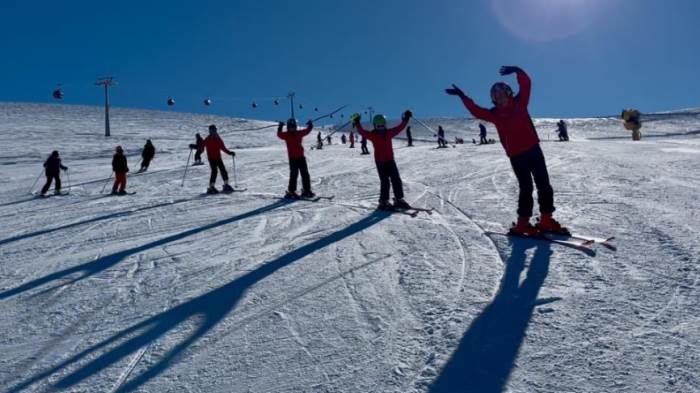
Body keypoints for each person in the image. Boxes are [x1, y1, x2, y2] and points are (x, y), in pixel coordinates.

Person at [446, 65, 567, 235]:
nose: (499, 98)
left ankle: (546, 219)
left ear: (508, 93)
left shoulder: (520, 102)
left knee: (544, 184)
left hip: (533, 150)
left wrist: (518, 71)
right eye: (496, 96)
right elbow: (476, 110)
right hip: (517, 156)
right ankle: (522, 223)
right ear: (493, 99)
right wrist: (462, 96)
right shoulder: (494, 114)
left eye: (502, 94)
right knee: (526, 188)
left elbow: (526, 84)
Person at [353, 111, 412, 210]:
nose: (380, 128)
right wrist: (357, 122)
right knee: (385, 181)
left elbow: (400, 128)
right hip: (380, 162)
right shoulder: (373, 135)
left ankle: (399, 199)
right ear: (375, 126)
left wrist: (406, 119)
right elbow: (362, 132)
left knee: (396, 179)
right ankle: (383, 201)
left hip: (390, 160)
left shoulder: (389, 133)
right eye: (378, 126)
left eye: (382, 126)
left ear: (385, 125)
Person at [277, 118, 315, 199]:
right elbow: (279, 134)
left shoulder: (299, 133)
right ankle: (291, 191)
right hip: (292, 159)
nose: (292, 129)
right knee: (294, 175)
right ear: (288, 127)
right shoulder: (286, 135)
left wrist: (310, 124)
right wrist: (280, 126)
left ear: (295, 127)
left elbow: (307, 130)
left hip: (301, 157)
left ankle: (306, 190)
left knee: (305, 174)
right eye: (290, 127)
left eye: (293, 127)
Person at [202, 124, 235, 194]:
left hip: (218, 158)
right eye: (212, 130)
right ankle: (211, 187)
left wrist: (229, 153)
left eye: (215, 130)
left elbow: (223, 148)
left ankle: (226, 185)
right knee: (214, 171)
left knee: (223, 170)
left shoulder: (218, 139)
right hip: (211, 158)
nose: (214, 131)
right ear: (210, 131)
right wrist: (194, 146)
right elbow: (201, 145)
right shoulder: (208, 139)